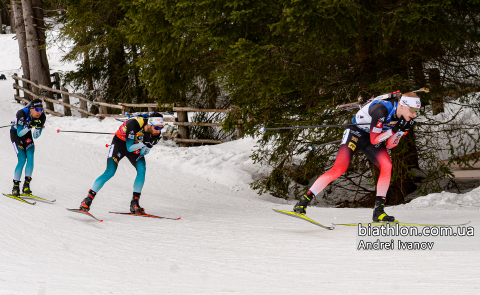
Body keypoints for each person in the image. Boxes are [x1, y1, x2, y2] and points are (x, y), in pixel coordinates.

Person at [293, 92, 421, 222]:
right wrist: (393, 130)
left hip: (372, 138)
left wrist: (401, 131)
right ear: (403, 106)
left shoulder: (404, 117)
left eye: (417, 111)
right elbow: (375, 140)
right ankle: (303, 201)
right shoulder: (381, 110)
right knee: (339, 168)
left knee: (387, 165)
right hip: (355, 133)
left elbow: (389, 145)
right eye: (413, 110)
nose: (415, 114)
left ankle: (379, 211)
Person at [78, 113, 164, 214]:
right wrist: (144, 143)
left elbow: (142, 152)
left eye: (161, 128)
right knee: (110, 171)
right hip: (120, 144)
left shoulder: (155, 132)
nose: (158, 131)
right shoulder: (134, 124)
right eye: (156, 127)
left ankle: (134, 204)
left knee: (142, 169)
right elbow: (129, 147)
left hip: (135, 146)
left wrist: (149, 145)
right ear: (149, 124)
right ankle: (87, 201)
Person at [10, 99, 46, 196]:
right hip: (16, 135)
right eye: (38, 110)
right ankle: (15, 186)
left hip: (27, 135)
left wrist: (38, 128)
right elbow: (19, 133)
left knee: (30, 157)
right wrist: (30, 126)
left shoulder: (42, 117)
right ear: (31, 109)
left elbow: (35, 136)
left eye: (41, 110)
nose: (40, 112)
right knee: (22, 159)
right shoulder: (22, 113)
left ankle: (26, 185)